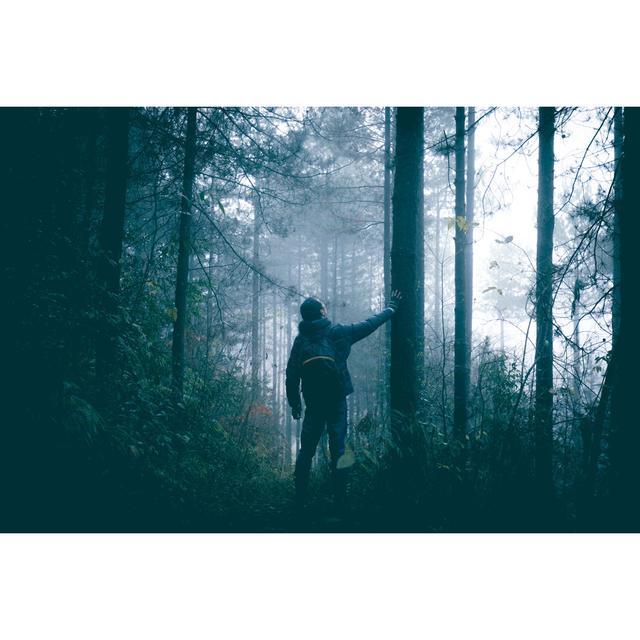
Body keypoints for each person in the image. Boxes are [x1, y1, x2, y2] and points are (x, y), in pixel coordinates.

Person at [285, 290, 402, 512]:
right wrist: (391, 308)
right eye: (323, 308)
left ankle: (299, 499)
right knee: (339, 447)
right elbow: (368, 324)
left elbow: (291, 375)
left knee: (306, 449)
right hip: (336, 399)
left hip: (313, 404)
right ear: (321, 312)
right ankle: (341, 499)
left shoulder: (301, 341)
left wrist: (295, 405)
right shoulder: (336, 331)